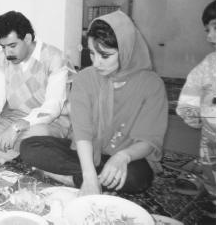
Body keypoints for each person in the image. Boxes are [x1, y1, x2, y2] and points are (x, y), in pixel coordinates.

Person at [21, 10, 168, 195]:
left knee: (137, 178)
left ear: (126, 51)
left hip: (128, 155)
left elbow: (148, 140)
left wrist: (123, 157)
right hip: (87, 153)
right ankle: (91, 178)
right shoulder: (85, 78)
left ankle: (68, 178)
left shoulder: (151, 84)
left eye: (105, 56)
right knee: (29, 147)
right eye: (92, 53)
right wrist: (90, 176)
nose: (96, 63)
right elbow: (82, 133)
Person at [0, 11, 72, 164]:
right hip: (13, 118)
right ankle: (22, 157)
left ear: (28, 38)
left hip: (49, 122)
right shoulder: (2, 60)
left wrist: (16, 128)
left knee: (37, 136)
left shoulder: (54, 58)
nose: (7, 53)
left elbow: (52, 107)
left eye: (12, 46)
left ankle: (14, 153)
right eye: (3, 47)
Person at [176, 0, 216, 195]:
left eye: (215, 27)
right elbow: (191, 91)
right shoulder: (208, 65)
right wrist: (191, 113)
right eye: (207, 30)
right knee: (212, 173)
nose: (210, 37)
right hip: (211, 138)